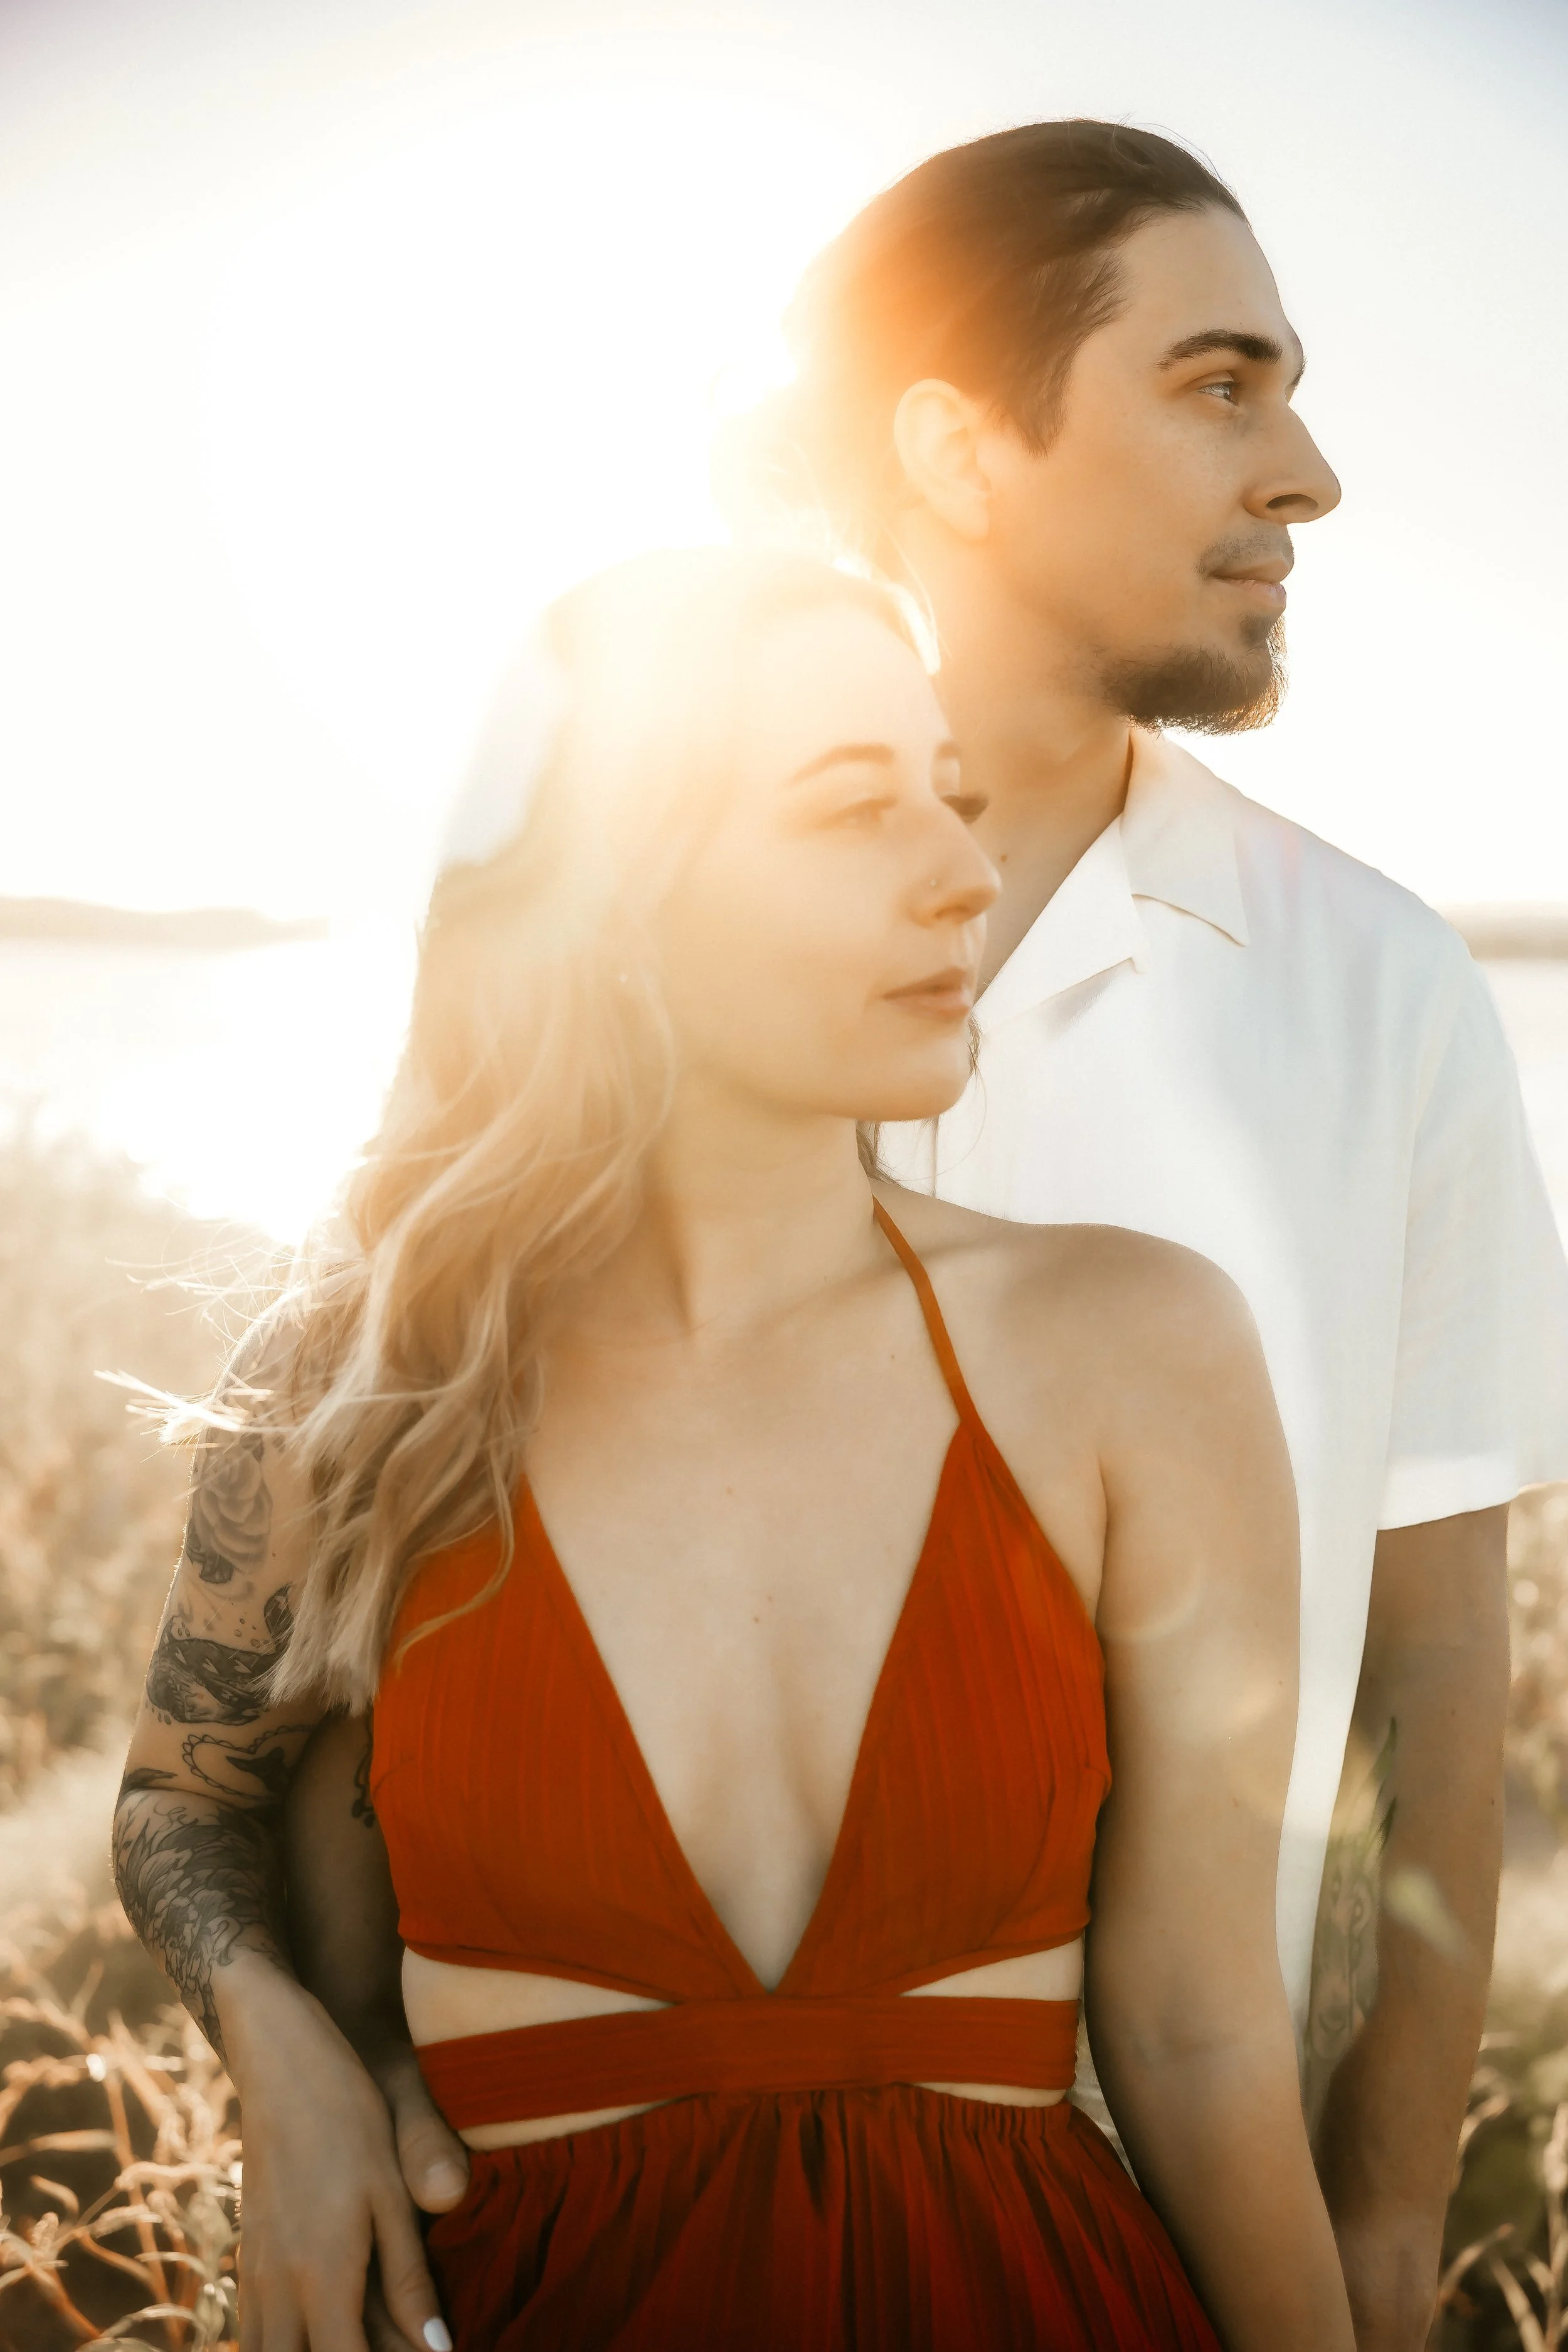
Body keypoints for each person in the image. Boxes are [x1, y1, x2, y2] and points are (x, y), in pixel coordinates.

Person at [273, 117, 1568, 2352]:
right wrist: (315, 2047)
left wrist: (1377, 2209)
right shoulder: (536, 1102)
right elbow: (275, 1718)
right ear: (960, 447)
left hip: (1172, 2234)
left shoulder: (1377, 992)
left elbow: (1445, 1661)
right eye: (1218, 383)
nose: (1307, 474)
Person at [114, 544, 1354, 2351]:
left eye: (952, 799)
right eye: (854, 811)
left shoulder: (1136, 1346)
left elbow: (1197, 2027)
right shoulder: (364, 1386)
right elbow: (186, 1797)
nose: (967, 874)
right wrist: (284, 2043)